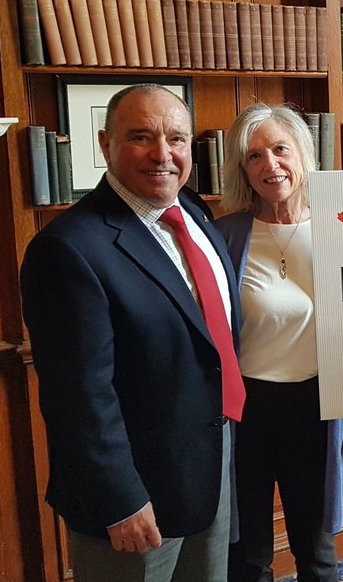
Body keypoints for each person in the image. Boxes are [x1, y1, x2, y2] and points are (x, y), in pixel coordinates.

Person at [20, 84, 241, 581]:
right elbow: (77, 394)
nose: (163, 154)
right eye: (141, 137)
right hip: (133, 496)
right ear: (105, 144)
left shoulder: (196, 214)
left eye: (177, 139)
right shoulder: (68, 249)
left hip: (209, 469)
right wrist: (119, 500)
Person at [216, 103, 343, 582]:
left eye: (280, 149)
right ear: (243, 170)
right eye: (255, 156)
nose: (270, 165)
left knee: (317, 550)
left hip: (317, 404)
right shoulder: (226, 235)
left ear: (303, 155)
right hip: (245, 412)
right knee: (247, 553)